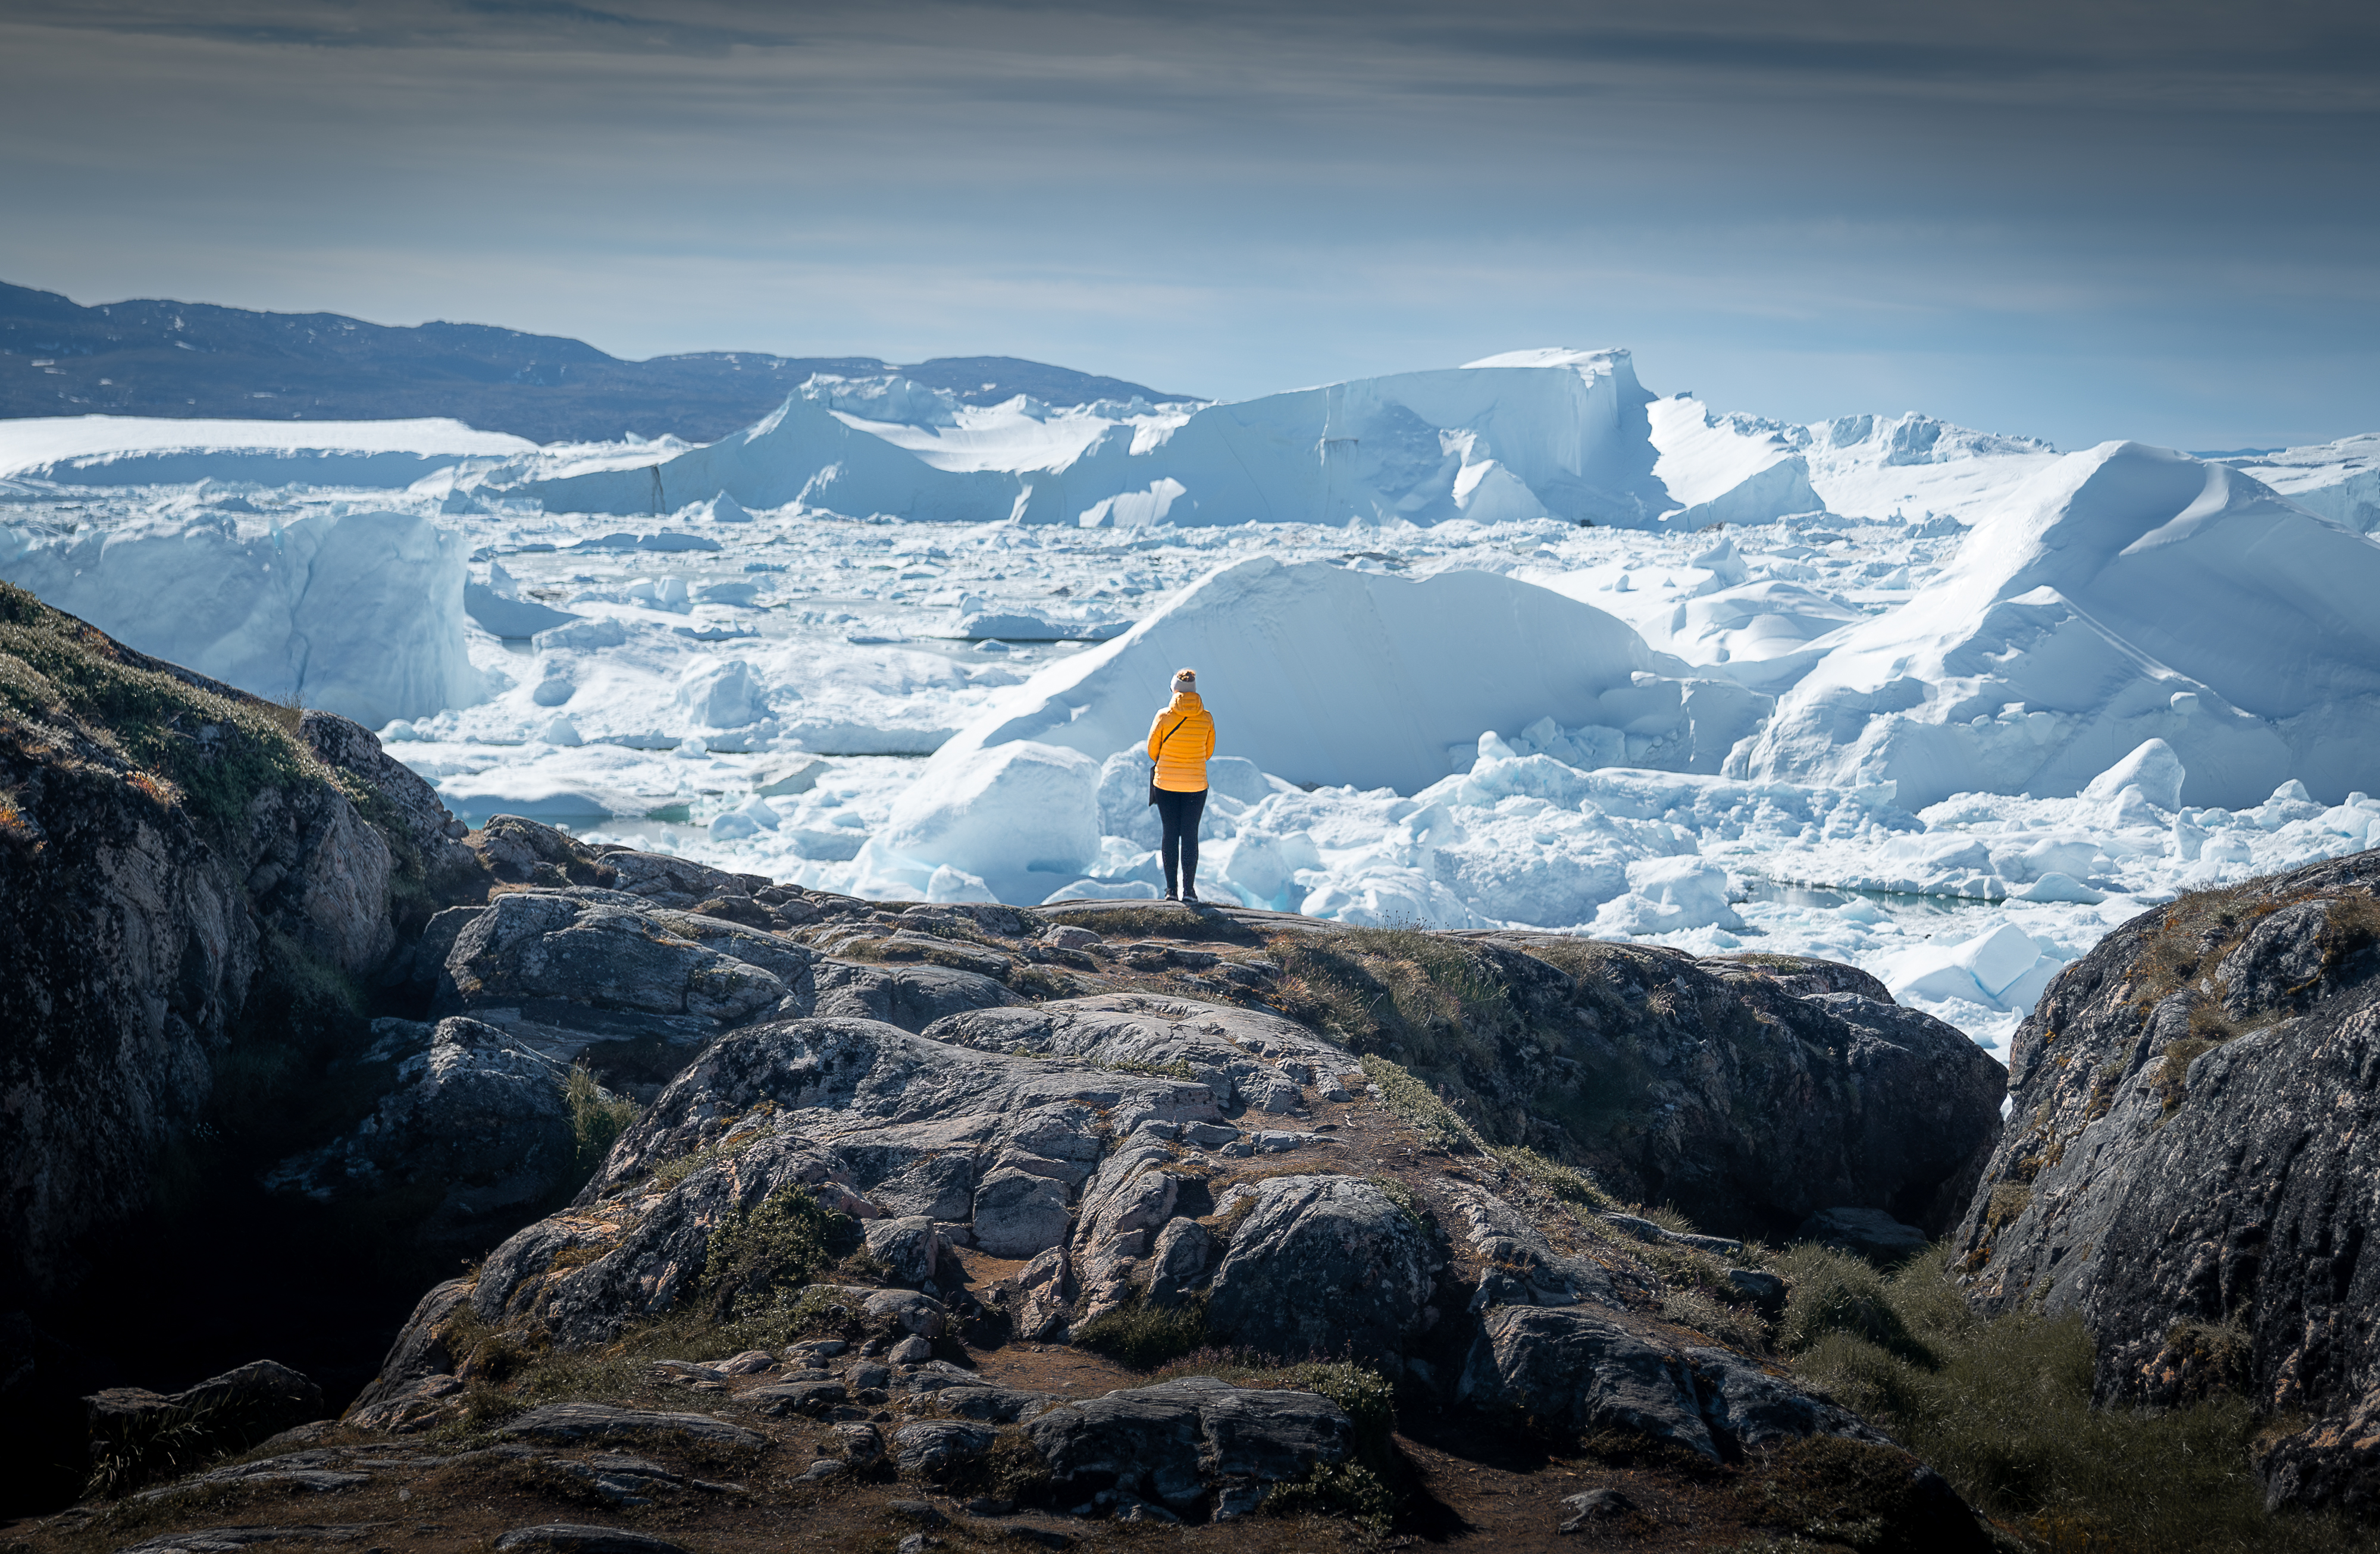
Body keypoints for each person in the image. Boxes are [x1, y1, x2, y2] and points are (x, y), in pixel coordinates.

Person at [1146, 666, 1216, 902]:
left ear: (1174, 690)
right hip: (1196, 785)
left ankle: (1171, 891)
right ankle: (1190, 892)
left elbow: (1152, 751)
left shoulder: (1164, 716)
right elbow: (1208, 752)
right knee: (1189, 835)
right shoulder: (1206, 718)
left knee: (1170, 833)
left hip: (1165, 784)